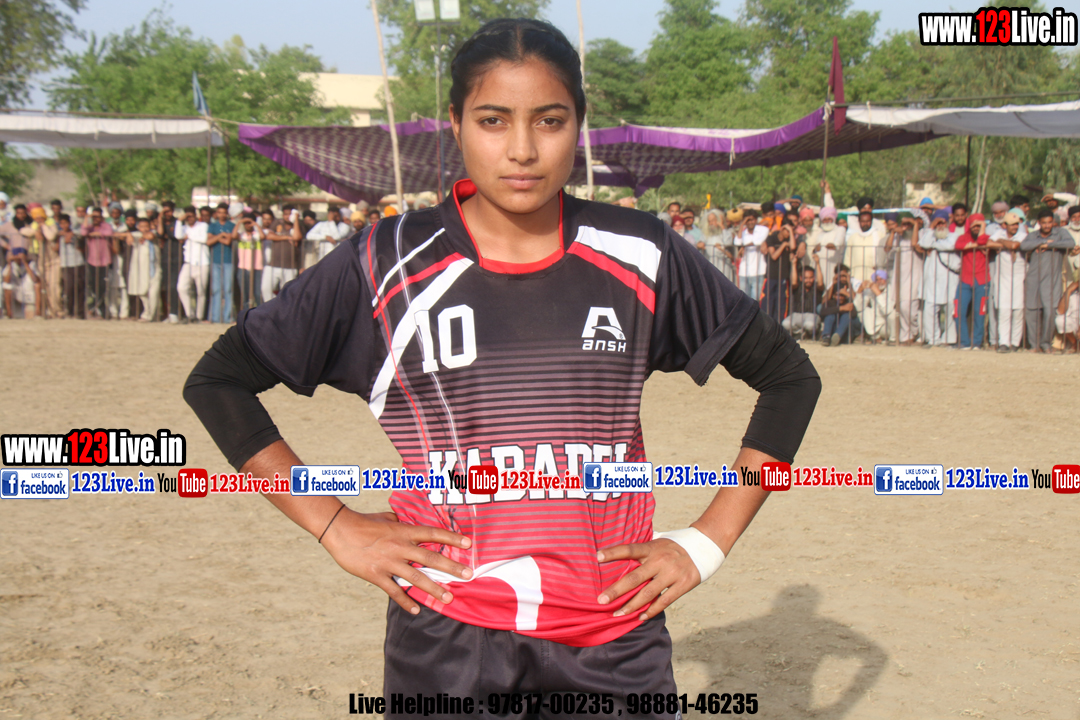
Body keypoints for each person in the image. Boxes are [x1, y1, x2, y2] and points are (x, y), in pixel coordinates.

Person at [183, 18, 820, 718]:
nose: (522, 149)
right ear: (455, 124)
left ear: (578, 125)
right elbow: (219, 380)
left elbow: (789, 379)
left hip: (613, 634)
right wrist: (333, 524)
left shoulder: (641, 252)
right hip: (445, 636)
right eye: (493, 120)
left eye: (549, 120)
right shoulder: (383, 261)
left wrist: (706, 542)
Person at [1020, 208, 1075, 352]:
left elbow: (1070, 243)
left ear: (1053, 222)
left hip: (1052, 279)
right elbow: (1023, 246)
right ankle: (1034, 345)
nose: (1047, 225)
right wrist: (1042, 242)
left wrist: (1049, 245)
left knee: (1050, 312)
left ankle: (1045, 343)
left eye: (1050, 222)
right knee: (1032, 311)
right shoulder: (1033, 235)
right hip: (1033, 278)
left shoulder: (1060, 232)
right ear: (1039, 223)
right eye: (1044, 223)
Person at [918, 209, 960, 347]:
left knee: (950, 310)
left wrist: (934, 245)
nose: (941, 226)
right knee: (930, 310)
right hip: (933, 279)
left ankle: (949, 339)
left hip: (950, 279)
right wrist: (931, 227)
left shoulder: (953, 236)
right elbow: (923, 244)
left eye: (943, 223)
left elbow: (950, 246)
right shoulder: (930, 235)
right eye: (938, 223)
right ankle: (933, 339)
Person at [986, 211, 1026, 352]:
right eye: (1011, 224)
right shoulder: (999, 233)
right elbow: (989, 243)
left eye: (1016, 224)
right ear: (1005, 225)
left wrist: (1001, 243)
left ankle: (1015, 343)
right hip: (1002, 278)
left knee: (1018, 311)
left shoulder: (1022, 235)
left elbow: (1015, 245)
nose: (1015, 227)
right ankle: (1004, 342)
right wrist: (1006, 244)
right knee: (1004, 311)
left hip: (1019, 277)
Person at [953, 214, 991, 349]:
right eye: (974, 225)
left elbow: (982, 241)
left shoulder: (987, 237)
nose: (976, 228)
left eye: (979, 225)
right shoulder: (962, 237)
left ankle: (976, 343)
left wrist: (982, 231)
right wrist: (977, 245)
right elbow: (958, 245)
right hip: (965, 279)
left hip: (982, 279)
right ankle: (964, 342)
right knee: (958, 311)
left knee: (980, 313)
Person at [177, 204, 211, 323]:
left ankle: (199, 316)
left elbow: (203, 239)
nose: (189, 218)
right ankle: (189, 314)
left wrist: (189, 235)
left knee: (201, 291)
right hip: (188, 262)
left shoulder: (203, 225)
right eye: (187, 217)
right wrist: (179, 221)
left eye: (191, 216)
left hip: (202, 262)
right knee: (181, 288)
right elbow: (178, 235)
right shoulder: (184, 227)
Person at [762, 220, 798, 322]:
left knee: (781, 301)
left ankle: (779, 324)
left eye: (792, 231)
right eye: (787, 231)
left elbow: (793, 247)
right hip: (771, 275)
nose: (789, 234)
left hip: (783, 276)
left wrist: (790, 232)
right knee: (768, 301)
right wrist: (783, 245)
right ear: (782, 229)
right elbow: (774, 256)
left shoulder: (790, 239)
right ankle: (766, 323)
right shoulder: (772, 238)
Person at [261, 207, 300, 301]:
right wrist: (287, 237)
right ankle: (272, 307)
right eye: (285, 214)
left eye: (290, 214)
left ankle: (283, 308)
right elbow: (269, 236)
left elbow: (297, 237)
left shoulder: (298, 225)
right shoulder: (277, 223)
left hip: (290, 266)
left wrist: (296, 219)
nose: (287, 216)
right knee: (265, 289)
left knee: (287, 293)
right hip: (273, 264)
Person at [81, 207, 114, 318]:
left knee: (102, 286)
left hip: (104, 260)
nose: (95, 219)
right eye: (93, 217)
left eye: (97, 216)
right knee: (93, 285)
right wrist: (87, 218)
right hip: (92, 260)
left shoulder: (106, 226)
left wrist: (97, 233)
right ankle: (100, 309)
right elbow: (83, 232)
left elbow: (109, 232)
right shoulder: (89, 227)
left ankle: (96, 307)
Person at [207, 203, 236, 323]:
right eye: (220, 212)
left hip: (228, 261)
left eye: (224, 212)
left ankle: (227, 317)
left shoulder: (232, 225)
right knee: (216, 289)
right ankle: (215, 317)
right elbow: (209, 241)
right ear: (217, 213)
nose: (222, 215)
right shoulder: (212, 226)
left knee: (228, 289)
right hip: (215, 261)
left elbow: (228, 241)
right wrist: (222, 235)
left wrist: (217, 238)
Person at [819, 263, 860, 345]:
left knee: (846, 316)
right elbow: (822, 309)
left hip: (846, 328)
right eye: (840, 276)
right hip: (834, 321)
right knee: (830, 315)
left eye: (844, 276)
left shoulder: (853, 284)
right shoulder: (832, 292)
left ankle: (837, 336)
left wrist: (847, 293)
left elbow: (854, 311)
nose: (842, 278)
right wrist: (841, 308)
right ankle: (826, 337)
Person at [782, 259, 824, 339]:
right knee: (785, 324)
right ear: (801, 278)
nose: (808, 280)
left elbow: (821, 283)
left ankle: (808, 333)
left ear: (814, 277)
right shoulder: (798, 287)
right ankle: (801, 333)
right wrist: (794, 264)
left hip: (812, 315)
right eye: (806, 278)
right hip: (797, 314)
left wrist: (818, 263)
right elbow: (793, 282)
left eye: (811, 278)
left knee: (810, 325)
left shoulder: (816, 288)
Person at [127, 217, 159, 321]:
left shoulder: (154, 233)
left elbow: (150, 236)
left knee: (153, 293)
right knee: (142, 292)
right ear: (138, 227)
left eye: (146, 226)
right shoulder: (136, 235)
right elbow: (121, 235)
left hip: (155, 268)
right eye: (142, 226)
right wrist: (129, 234)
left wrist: (143, 236)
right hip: (141, 270)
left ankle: (150, 315)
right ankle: (147, 312)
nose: (144, 228)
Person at [808, 207, 845, 289]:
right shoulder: (820, 232)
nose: (827, 221)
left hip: (833, 265)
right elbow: (814, 250)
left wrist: (834, 245)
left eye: (829, 219)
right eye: (824, 219)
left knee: (831, 287)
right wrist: (815, 249)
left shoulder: (840, 229)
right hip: (819, 266)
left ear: (833, 219)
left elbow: (839, 242)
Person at [57, 213, 85, 319]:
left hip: (78, 262)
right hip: (66, 264)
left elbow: (81, 234)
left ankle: (80, 312)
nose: (64, 225)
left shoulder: (75, 232)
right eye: (62, 223)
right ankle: (70, 310)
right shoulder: (59, 235)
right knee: (69, 288)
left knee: (80, 287)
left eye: (66, 223)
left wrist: (71, 234)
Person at [735, 210, 768, 301]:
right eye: (748, 220)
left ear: (756, 220)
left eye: (752, 220)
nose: (750, 222)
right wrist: (742, 225)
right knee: (743, 299)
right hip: (744, 271)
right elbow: (737, 242)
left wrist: (744, 246)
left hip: (758, 270)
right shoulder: (743, 233)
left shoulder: (762, 230)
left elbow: (758, 241)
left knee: (755, 299)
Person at [234, 212, 263, 311]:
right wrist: (239, 222)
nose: (247, 225)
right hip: (243, 267)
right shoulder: (242, 235)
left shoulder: (256, 235)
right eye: (245, 223)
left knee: (257, 293)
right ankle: (245, 313)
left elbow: (263, 236)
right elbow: (233, 236)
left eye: (249, 222)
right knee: (244, 293)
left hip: (257, 267)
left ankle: (259, 313)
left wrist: (256, 225)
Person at [1056, 279, 1079, 351]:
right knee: (1060, 320)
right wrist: (1068, 291)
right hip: (1075, 324)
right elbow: (1060, 312)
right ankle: (1075, 344)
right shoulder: (1074, 295)